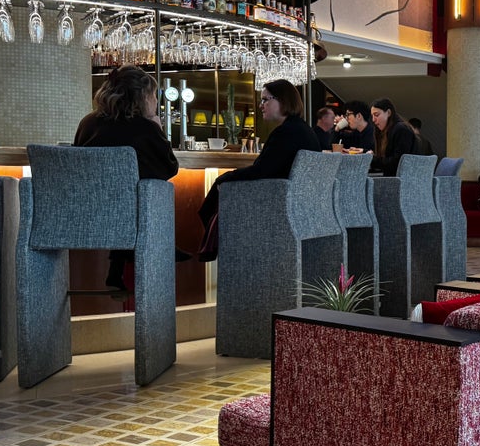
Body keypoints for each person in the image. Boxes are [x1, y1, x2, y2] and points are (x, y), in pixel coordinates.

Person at [74, 65, 181, 290]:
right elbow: (169, 168)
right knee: (148, 188)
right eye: (154, 95)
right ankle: (159, 245)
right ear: (143, 96)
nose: (156, 100)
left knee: (125, 188)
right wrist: (158, 130)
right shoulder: (145, 128)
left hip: (82, 216)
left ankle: (118, 265)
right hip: (130, 219)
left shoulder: (87, 123)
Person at [197, 79, 321, 260]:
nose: (261, 105)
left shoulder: (286, 132)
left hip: (276, 206)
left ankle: (213, 248)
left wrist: (225, 177)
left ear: (283, 101)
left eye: (265, 100)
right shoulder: (303, 130)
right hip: (300, 205)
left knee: (220, 189)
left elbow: (260, 171)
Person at [370, 98, 418, 176]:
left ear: (388, 113)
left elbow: (397, 162)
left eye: (376, 115)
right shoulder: (389, 130)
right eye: (372, 116)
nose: (373, 120)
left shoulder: (401, 129)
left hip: (401, 179)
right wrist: (364, 152)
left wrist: (371, 159)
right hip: (395, 177)